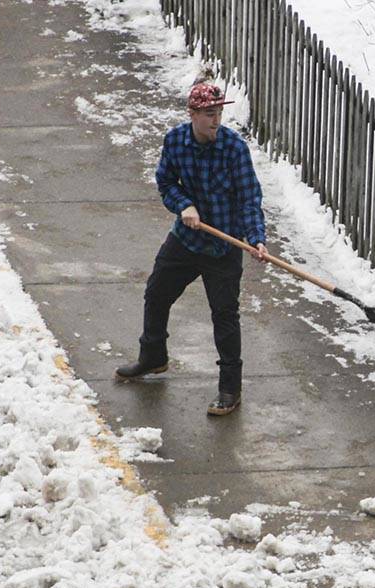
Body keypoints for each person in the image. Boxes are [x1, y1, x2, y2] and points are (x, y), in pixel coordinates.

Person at [115, 81, 268, 416]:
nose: (216, 121)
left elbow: (249, 198)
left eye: (220, 114)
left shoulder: (233, 148)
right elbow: (166, 181)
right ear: (194, 114)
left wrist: (256, 237)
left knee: (224, 316)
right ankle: (153, 356)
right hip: (186, 240)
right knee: (156, 293)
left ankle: (230, 388)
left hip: (224, 246)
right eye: (210, 114)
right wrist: (184, 205)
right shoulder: (176, 142)